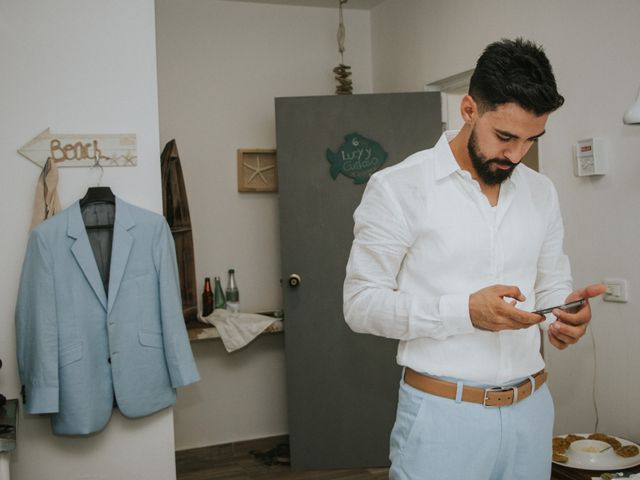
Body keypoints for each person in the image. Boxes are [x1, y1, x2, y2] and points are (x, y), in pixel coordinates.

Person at [343, 38, 606, 480]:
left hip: (533, 410)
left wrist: (566, 313)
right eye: (505, 136)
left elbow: (552, 284)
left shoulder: (541, 192)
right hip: (443, 417)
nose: (516, 154)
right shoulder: (398, 187)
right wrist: (465, 311)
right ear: (469, 109)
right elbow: (360, 305)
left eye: (530, 140)